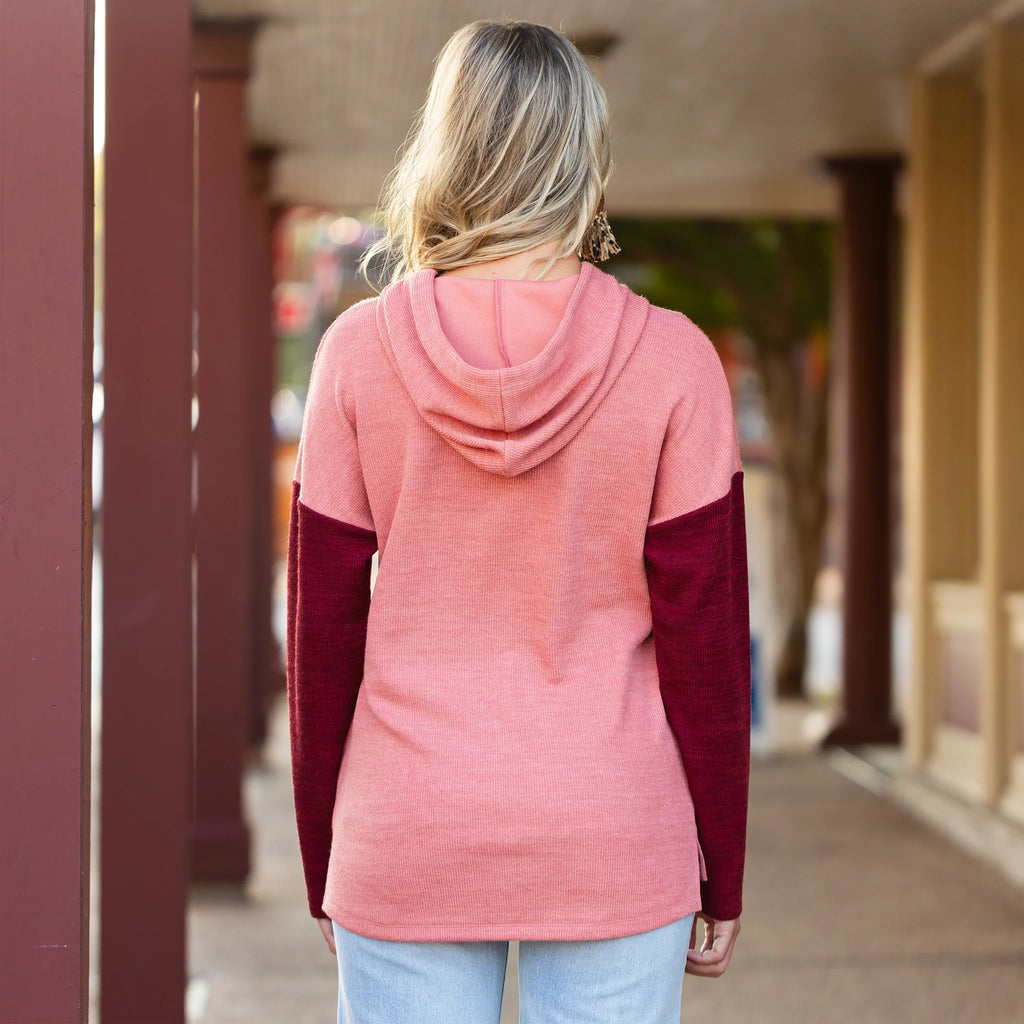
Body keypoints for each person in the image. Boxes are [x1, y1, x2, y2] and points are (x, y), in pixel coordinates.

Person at [286, 18, 751, 1024]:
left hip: (408, 824)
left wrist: (326, 846)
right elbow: (704, 640)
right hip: (613, 825)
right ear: (584, 152)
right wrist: (724, 863)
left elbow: (320, 631)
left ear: (445, 147)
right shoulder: (674, 363)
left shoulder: (357, 356)